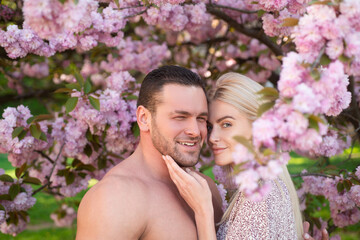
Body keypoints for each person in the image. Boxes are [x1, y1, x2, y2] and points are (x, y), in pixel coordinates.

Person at [163, 72, 329, 240]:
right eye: (211, 127)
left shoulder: (257, 198)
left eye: (226, 124)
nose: (212, 138)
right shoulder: (266, 186)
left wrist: (203, 211)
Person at [76, 65, 223, 240]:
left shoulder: (205, 189)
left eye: (201, 119)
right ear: (144, 119)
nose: (195, 131)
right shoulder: (114, 198)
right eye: (180, 117)